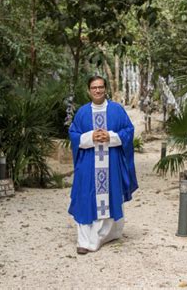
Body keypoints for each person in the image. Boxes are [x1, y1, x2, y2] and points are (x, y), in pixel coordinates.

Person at [68, 75, 138, 255]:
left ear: (105, 89)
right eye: (94, 87)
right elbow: (74, 135)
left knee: (108, 196)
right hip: (88, 163)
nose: (97, 90)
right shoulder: (83, 112)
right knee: (84, 196)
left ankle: (102, 235)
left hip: (111, 162)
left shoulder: (116, 110)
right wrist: (90, 137)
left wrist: (111, 137)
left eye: (100, 87)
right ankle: (84, 240)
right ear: (88, 90)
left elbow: (129, 131)